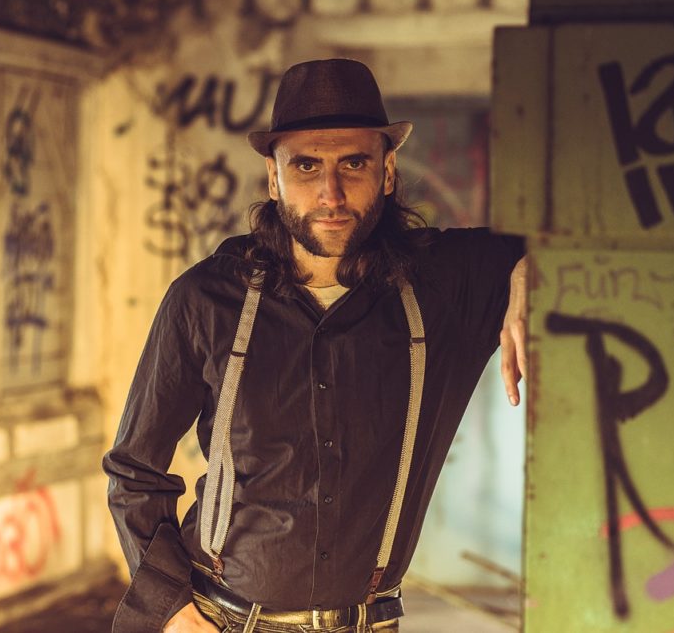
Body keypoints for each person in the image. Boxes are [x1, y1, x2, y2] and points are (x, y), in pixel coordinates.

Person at [103, 59, 527, 633]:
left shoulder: (443, 285)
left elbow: (572, 235)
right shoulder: (207, 299)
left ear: (388, 171)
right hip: (220, 616)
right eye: (307, 165)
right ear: (273, 178)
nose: (331, 193)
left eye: (354, 162)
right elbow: (134, 470)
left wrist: (528, 270)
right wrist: (173, 610)